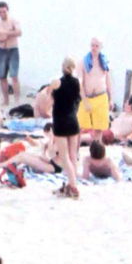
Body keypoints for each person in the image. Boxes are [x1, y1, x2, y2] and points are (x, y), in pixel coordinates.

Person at [51, 57, 82, 196]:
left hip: (60, 121)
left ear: (63, 67)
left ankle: (73, 186)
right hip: (73, 120)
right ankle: (71, 184)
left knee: (64, 157)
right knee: (73, 155)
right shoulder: (77, 82)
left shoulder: (57, 82)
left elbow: (51, 97)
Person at [0, 2, 21, 108]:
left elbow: (19, 32)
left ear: (7, 10)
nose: (2, 14)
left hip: (13, 49)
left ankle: (17, 100)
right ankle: (6, 100)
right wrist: (0, 38)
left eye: (4, 11)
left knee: (14, 76)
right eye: (0, 12)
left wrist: (6, 33)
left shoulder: (13, 21)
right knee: (2, 77)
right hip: (2, 50)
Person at [78, 36, 113, 133]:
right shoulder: (82, 62)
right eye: (92, 45)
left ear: (101, 47)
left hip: (101, 97)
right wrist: (85, 101)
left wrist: (111, 99)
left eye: (96, 46)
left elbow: (108, 81)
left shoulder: (105, 62)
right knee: (80, 127)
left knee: (99, 129)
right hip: (87, 98)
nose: (94, 48)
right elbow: (79, 83)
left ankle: (97, 143)